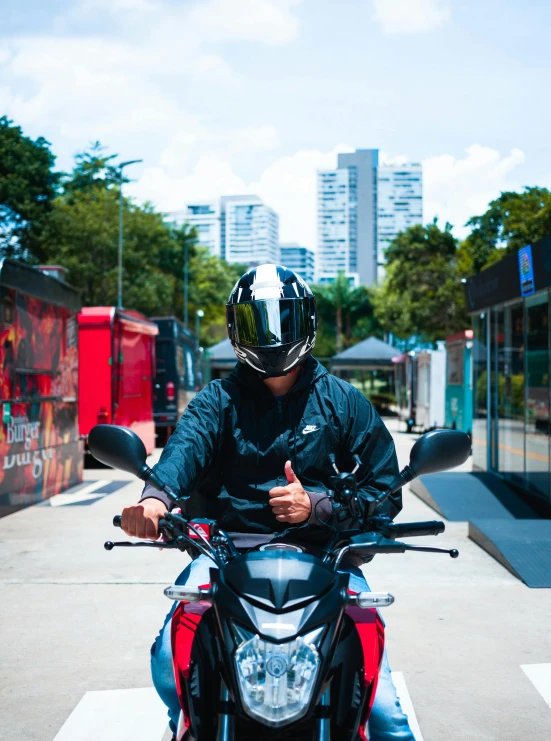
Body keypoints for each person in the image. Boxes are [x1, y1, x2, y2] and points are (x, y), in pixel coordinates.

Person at [121, 264, 415, 741]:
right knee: (166, 663)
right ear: (238, 329)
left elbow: (384, 492)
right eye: (260, 323)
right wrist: (155, 501)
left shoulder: (343, 402)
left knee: (383, 714)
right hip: (226, 555)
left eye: (286, 321)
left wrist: (316, 507)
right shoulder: (217, 401)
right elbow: (184, 450)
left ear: (308, 322)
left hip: (327, 556)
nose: (275, 337)